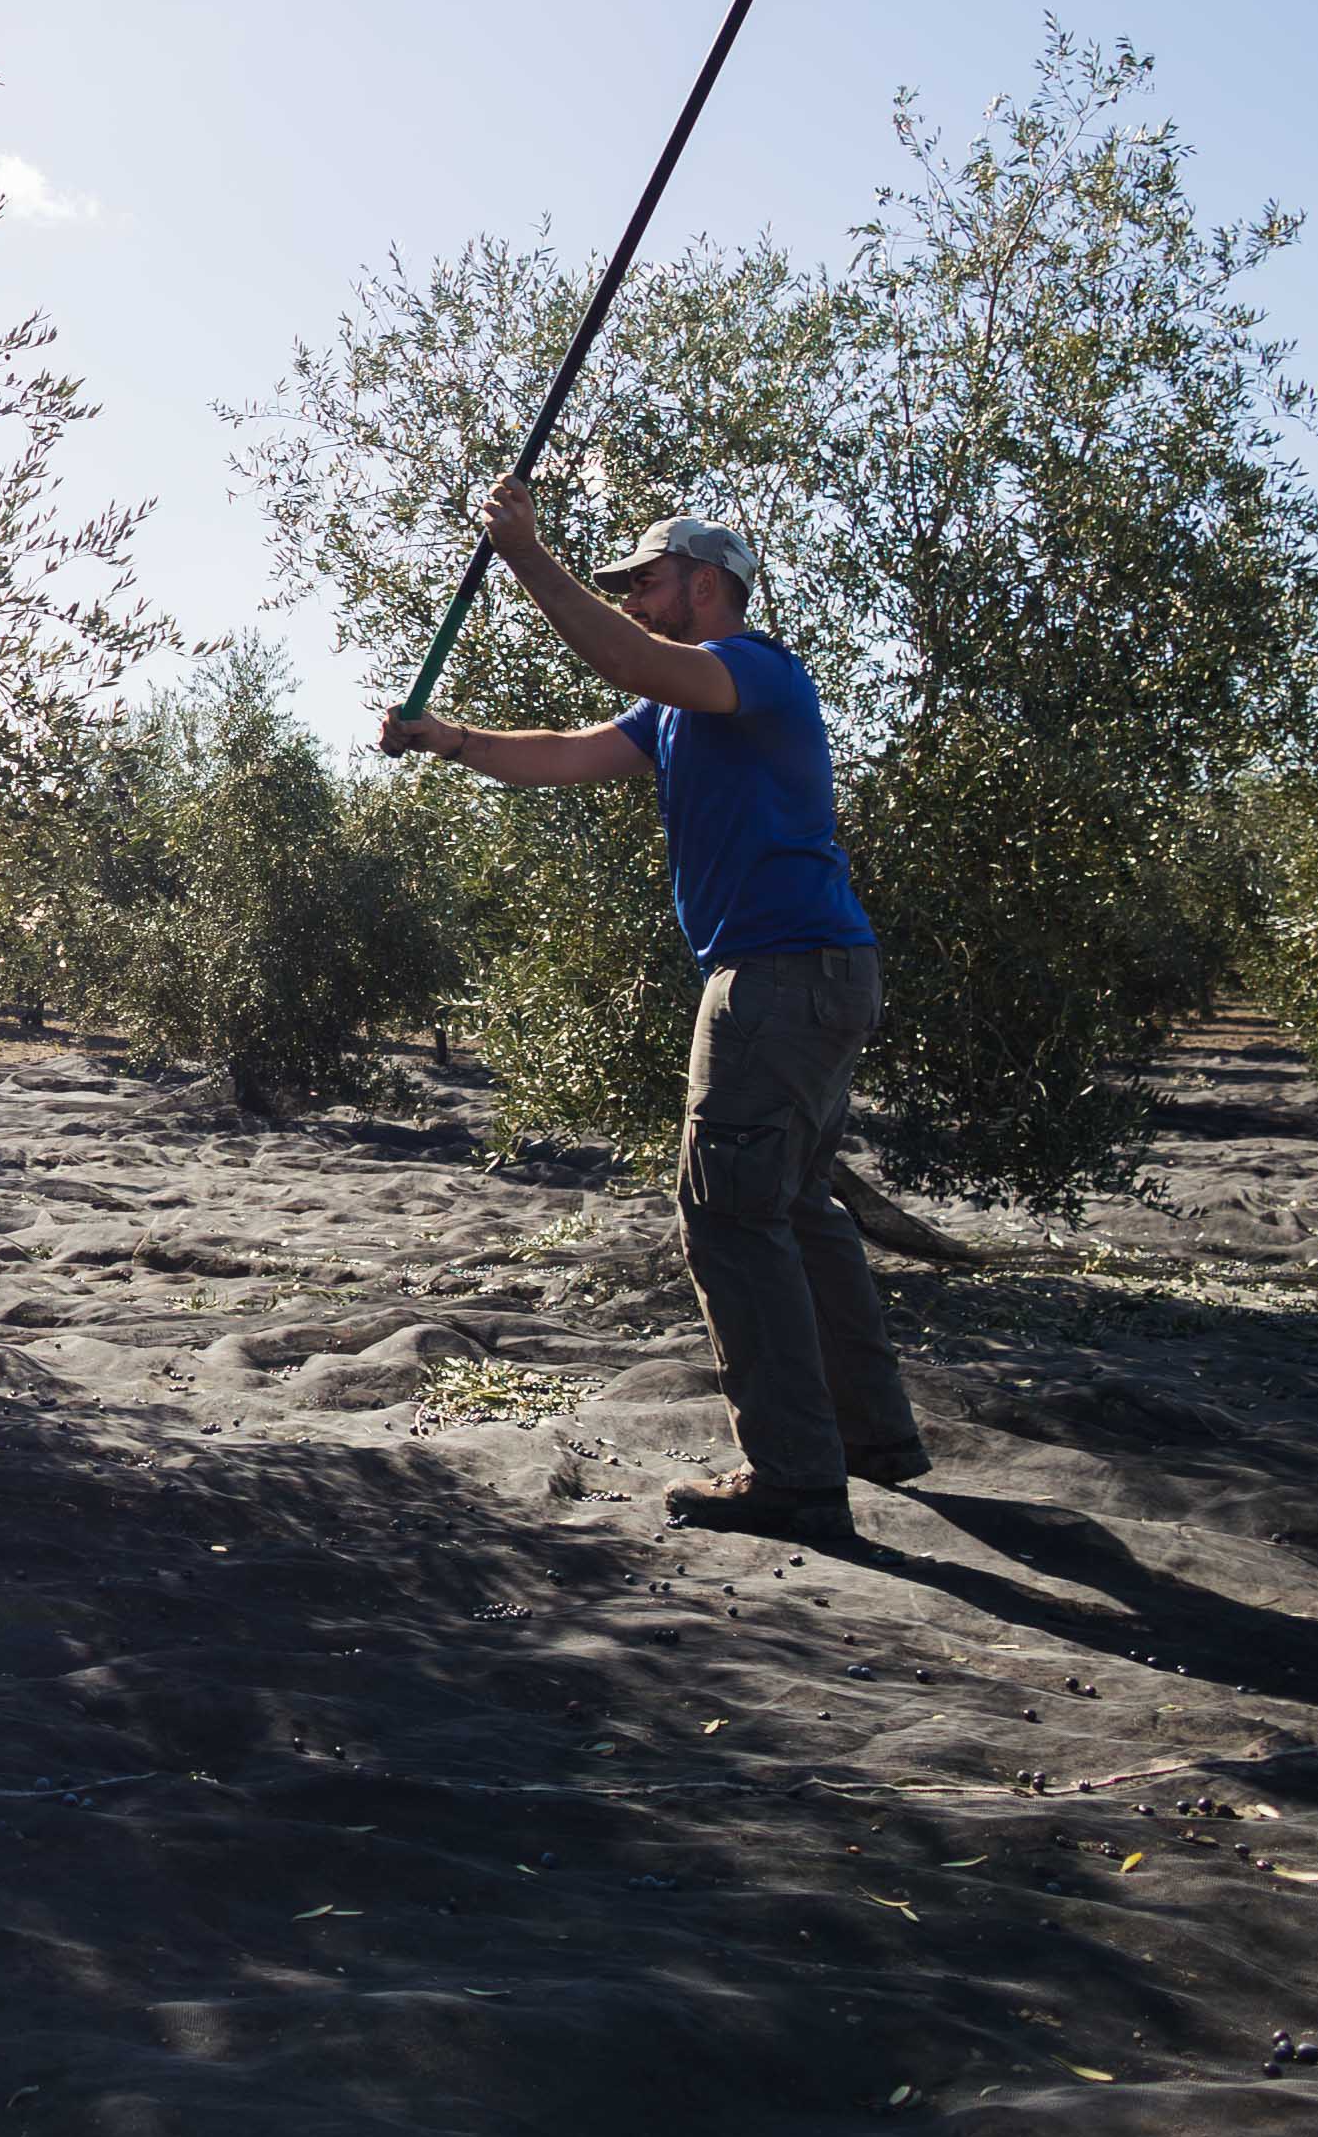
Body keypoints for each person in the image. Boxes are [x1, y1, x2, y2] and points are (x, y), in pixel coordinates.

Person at [382, 486, 918, 1548]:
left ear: (707, 585)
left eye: (645, 582)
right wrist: (448, 739)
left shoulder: (752, 671)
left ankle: (796, 1478)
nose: (630, 598)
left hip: (775, 979)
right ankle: (872, 1440)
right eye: (621, 585)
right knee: (799, 1207)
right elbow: (566, 752)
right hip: (809, 976)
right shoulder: (678, 709)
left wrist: (527, 556)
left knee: (726, 1217)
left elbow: (622, 661)